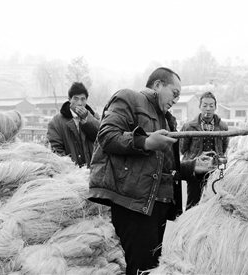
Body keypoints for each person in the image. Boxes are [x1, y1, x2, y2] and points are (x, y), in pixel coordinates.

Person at [87, 67, 215, 275]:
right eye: (174, 93)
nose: (176, 99)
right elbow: (107, 136)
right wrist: (145, 141)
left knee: (155, 267)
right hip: (135, 205)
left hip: (160, 206)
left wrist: (193, 167)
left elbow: (167, 168)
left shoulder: (167, 119)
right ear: (157, 85)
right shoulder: (129, 98)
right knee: (142, 267)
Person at [179, 91, 229, 209]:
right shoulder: (188, 127)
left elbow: (223, 149)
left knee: (214, 205)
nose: (208, 108)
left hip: (215, 171)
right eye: (205, 105)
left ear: (215, 107)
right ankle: (189, 226)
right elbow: (182, 149)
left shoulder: (223, 127)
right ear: (200, 106)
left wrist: (221, 167)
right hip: (196, 170)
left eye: (211, 106)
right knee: (193, 204)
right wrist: (197, 157)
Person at [47, 82, 100, 168]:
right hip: (70, 173)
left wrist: (87, 119)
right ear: (69, 99)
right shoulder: (56, 122)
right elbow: (56, 151)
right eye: (76, 99)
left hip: (92, 172)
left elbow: (100, 137)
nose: (80, 103)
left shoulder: (94, 117)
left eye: (83, 99)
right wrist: (69, 169)